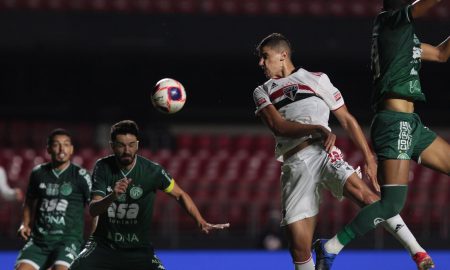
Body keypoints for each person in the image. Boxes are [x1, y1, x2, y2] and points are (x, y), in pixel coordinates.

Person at [253, 33, 432, 270]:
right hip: (295, 163)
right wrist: (317, 128)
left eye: (265, 57)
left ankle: (418, 253)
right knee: (299, 247)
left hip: (324, 153)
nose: (261, 63)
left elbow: (347, 120)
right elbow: (279, 126)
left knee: (368, 198)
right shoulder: (262, 90)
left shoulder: (316, 79)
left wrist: (369, 159)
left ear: (282, 55)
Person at [315, 0, 449, 269]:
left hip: (410, 122)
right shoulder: (390, 20)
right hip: (394, 121)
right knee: (391, 204)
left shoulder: (401, 37)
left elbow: (442, 54)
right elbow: (423, 6)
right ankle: (330, 247)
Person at [69, 120, 229, 270]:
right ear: (112, 146)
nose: (127, 150)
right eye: (121, 145)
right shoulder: (103, 167)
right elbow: (93, 210)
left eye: (131, 145)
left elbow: (180, 194)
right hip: (103, 247)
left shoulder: (153, 171)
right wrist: (112, 196)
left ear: (137, 145)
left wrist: (199, 220)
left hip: (139, 250)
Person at [15, 128, 92, 270]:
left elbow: (95, 208)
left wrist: (96, 238)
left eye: (66, 144)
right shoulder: (38, 173)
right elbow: (29, 200)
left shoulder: (81, 176)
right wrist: (24, 224)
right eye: (56, 144)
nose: (62, 149)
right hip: (39, 241)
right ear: (49, 149)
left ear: (72, 149)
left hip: (68, 241)